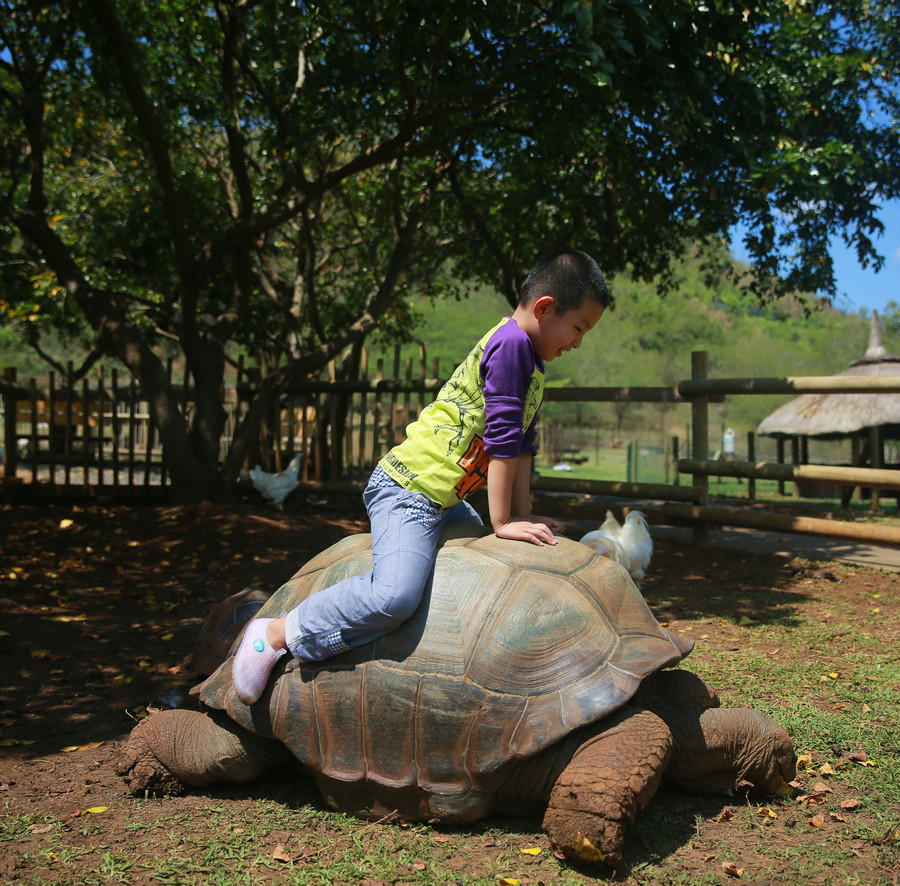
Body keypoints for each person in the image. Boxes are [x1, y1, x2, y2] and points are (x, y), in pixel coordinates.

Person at [232, 250, 609, 704]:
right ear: (546, 308)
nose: (579, 343)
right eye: (580, 329)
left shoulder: (534, 364)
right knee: (395, 595)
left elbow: (524, 446)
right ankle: (278, 633)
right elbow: (503, 440)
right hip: (408, 491)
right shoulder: (511, 346)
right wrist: (504, 522)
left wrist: (526, 517)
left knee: (475, 572)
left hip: (445, 501)